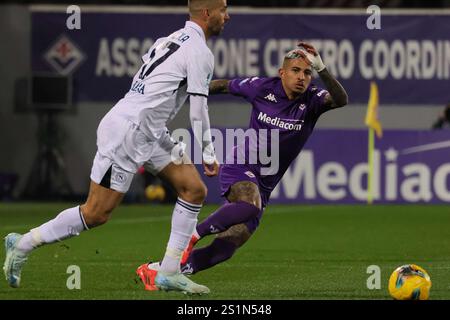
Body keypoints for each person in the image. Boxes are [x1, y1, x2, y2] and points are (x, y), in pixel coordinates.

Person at [3, 0, 230, 295]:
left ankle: (169, 272)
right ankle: (22, 244)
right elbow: (198, 111)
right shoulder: (199, 52)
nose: (228, 15)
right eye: (224, 9)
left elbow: (154, 83)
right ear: (207, 13)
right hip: (129, 133)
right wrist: (209, 154)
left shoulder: (169, 40)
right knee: (96, 213)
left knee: (193, 189)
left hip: (149, 131)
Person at [136, 42, 348, 290]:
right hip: (241, 164)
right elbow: (225, 85)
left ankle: (162, 271)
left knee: (229, 245)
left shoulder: (312, 100)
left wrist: (321, 68)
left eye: (307, 73)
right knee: (248, 204)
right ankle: (192, 234)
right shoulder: (262, 87)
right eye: (296, 71)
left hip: (265, 184)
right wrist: (188, 90)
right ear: (282, 73)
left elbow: (341, 99)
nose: (302, 77)